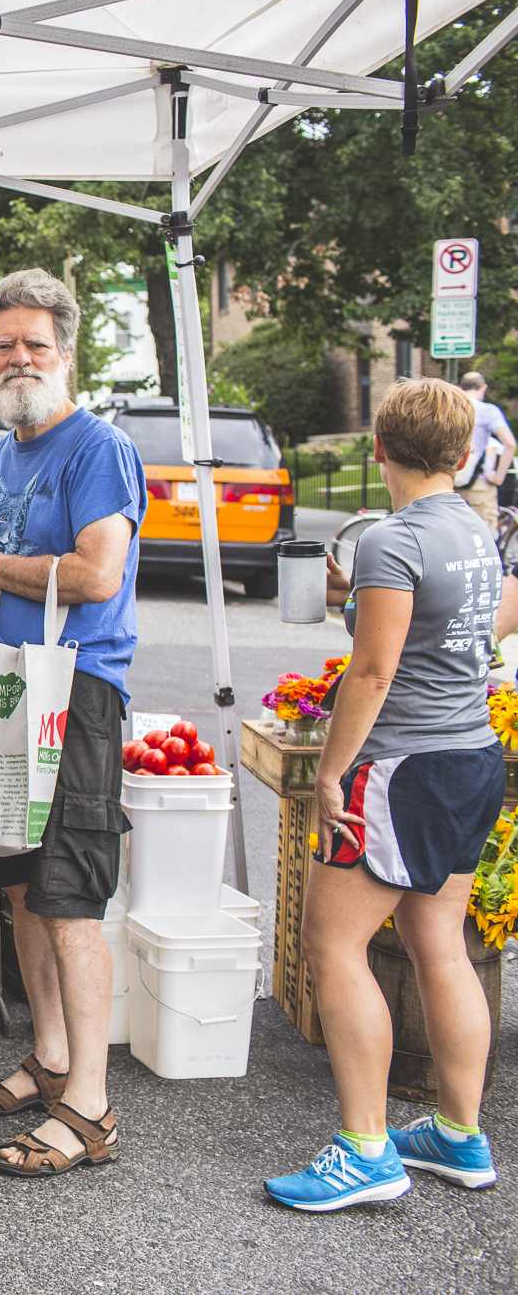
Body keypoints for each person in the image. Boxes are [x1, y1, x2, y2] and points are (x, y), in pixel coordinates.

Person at [265, 378, 503, 1210]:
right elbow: (481, 619)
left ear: (378, 448)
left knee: (330, 945)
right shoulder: (475, 530)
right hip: (472, 756)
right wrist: (361, 595)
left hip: (401, 769)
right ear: (466, 451)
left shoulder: (394, 539)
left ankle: (367, 1148)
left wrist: (332, 770)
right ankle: (459, 1134)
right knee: (439, 942)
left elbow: (372, 670)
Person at [0, 269, 143, 1178]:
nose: (18, 357)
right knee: (19, 886)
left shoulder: (98, 448)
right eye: (2, 344)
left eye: (35, 343)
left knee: (68, 897)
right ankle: (51, 1055)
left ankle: (90, 1104)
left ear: (66, 353)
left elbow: (97, 574)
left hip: (77, 689)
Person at [457, 371, 513, 528]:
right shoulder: (488, 411)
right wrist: (498, 477)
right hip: (479, 483)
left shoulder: (450, 407)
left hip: (449, 483)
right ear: (483, 388)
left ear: (461, 387)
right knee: (484, 538)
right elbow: (509, 444)